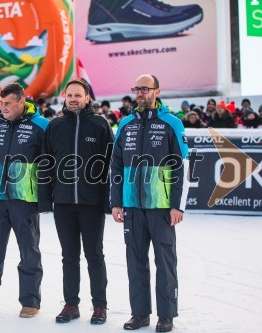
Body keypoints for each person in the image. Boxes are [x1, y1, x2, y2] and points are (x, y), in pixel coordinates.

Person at [110, 74, 189, 332]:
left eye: (145, 88)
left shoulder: (171, 123)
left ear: (157, 91)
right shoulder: (126, 124)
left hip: (162, 207)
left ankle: (166, 315)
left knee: (165, 261)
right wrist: (116, 202)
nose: (140, 93)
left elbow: (182, 166)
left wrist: (178, 205)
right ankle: (140, 314)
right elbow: (116, 165)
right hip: (132, 207)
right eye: (137, 88)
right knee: (135, 261)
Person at [0, 82, 48, 319]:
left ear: (21, 101)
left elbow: (48, 165)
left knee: (29, 253)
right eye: (0, 103)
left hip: (25, 200)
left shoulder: (41, 125)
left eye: (7, 104)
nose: (2, 108)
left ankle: (30, 302)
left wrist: (44, 201)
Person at [39, 78, 114, 325]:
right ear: (65, 97)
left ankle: (99, 306)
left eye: (78, 95)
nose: (73, 99)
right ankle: (71, 304)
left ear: (87, 98)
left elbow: (111, 166)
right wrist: (44, 200)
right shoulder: (55, 126)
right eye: (69, 95)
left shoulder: (100, 125)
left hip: (91, 203)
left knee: (94, 255)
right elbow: (45, 164)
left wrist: (108, 202)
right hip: (63, 203)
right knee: (69, 256)